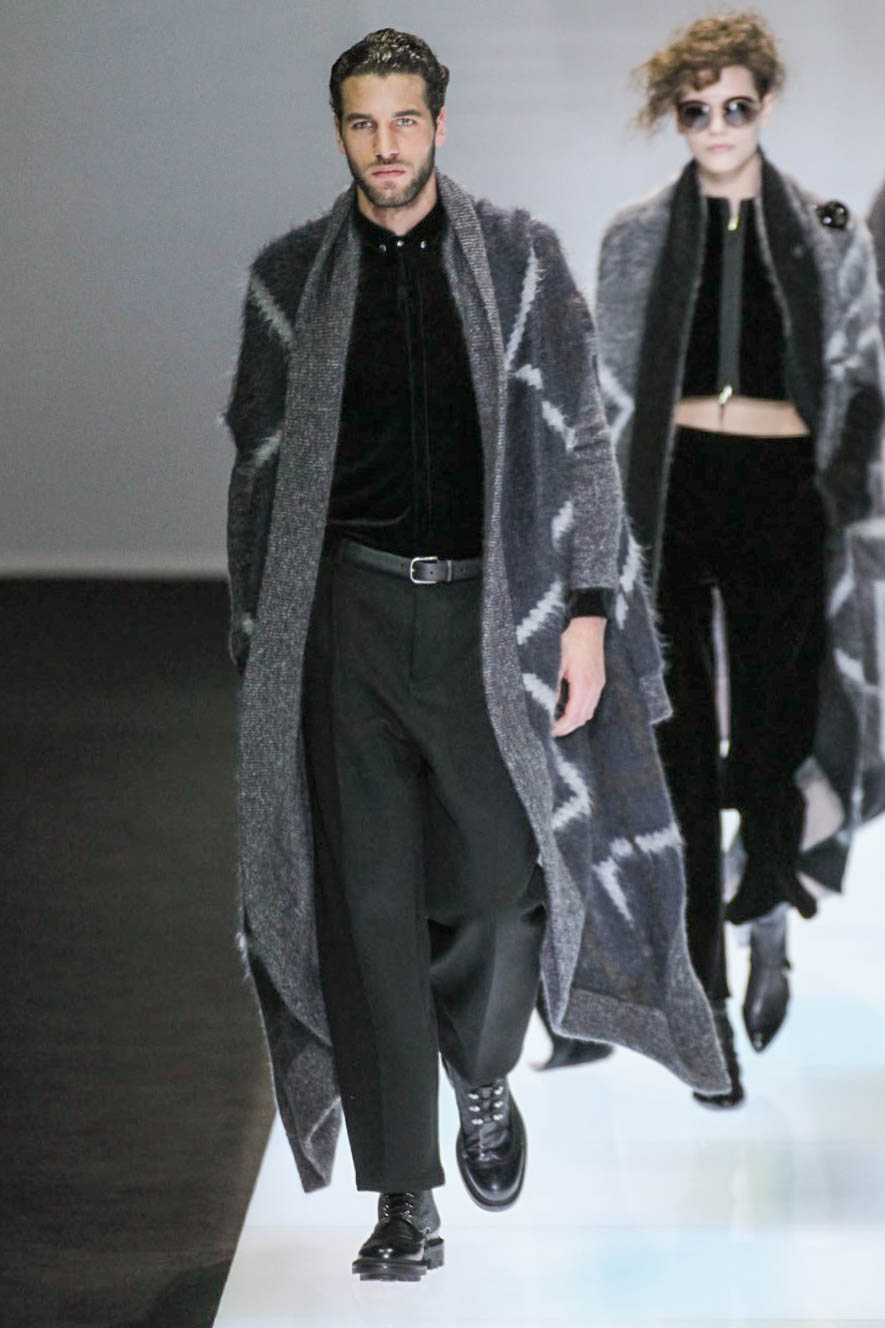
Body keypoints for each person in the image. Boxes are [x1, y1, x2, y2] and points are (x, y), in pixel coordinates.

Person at [224, 27, 726, 1281]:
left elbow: (584, 438)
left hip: (487, 622)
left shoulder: (519, 259)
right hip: (345, 619)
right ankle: (405, 1194)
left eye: (405, 119)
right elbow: (258, 476)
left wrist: (592, 609)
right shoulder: (288, 280)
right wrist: (264, 651)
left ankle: (484, 1069)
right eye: (362, 122)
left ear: (440, 123)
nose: (385, 144)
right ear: (340, 131)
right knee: (367, 910)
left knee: (501, 889)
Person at [595, 11, 885, 1108]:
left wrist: (837, 487)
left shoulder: (825, 223)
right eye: (696, 108)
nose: (716, 125)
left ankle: (768, 918)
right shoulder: (633, 235)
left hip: (782, 496)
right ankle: (701, 1000)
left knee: (772, 732)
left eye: (736, 105)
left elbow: (861, 366)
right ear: (673, 113)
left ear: (767, 103)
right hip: (672, 502)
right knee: (676, 750)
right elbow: (608, 394)